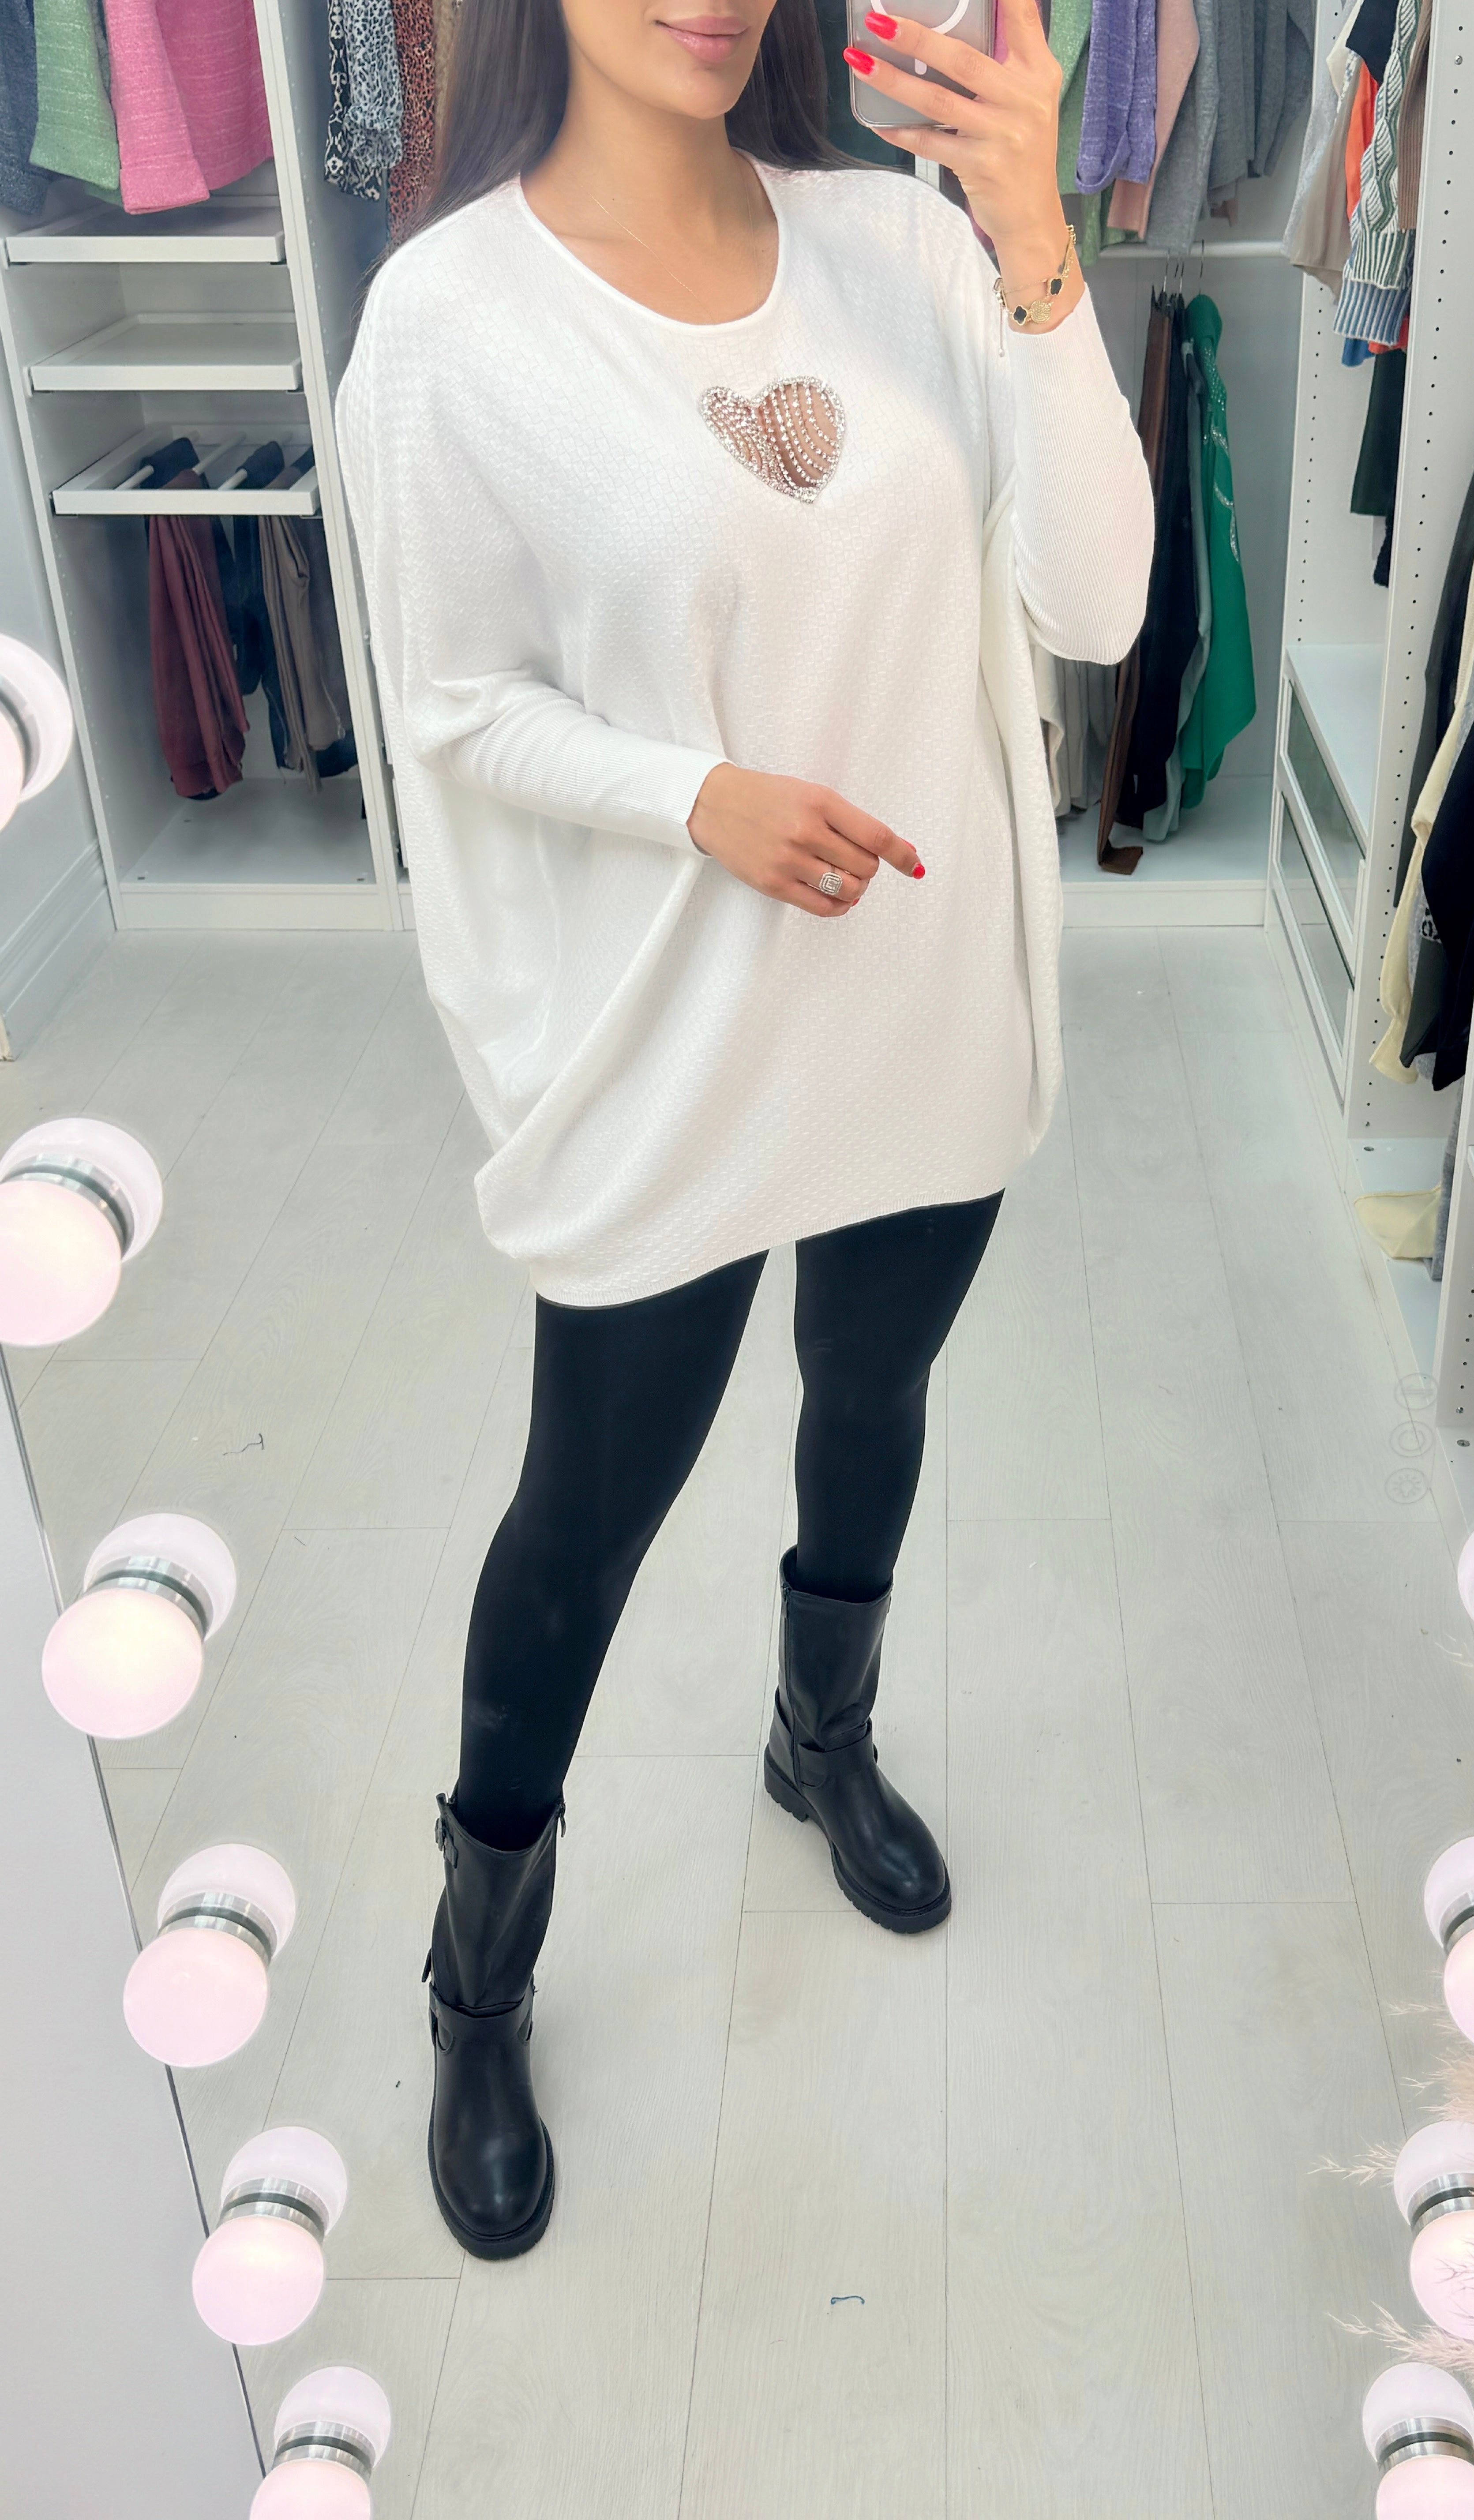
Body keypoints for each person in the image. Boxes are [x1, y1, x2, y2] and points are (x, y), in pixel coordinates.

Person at [336, 0, 1152, 2261]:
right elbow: (449, 704)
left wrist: (1035, 237)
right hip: (679, 1042)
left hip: (921, 996)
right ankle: (475, 1980)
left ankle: (822, 1739)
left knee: (871, 1398)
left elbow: (1098, 603)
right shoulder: (453, 321)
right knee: (582, 1519)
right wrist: (690, 794)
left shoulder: (903, 245)